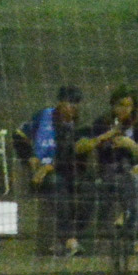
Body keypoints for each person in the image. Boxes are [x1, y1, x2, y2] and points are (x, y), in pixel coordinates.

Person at [74, 87, 138, 253]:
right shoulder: (102, 123)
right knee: (132, 186)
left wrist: (129, 144)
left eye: (128, 105)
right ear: (113, 105)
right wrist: (103, 137)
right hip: (110, 172)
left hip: (136, 169)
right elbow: (80, 147)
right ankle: (134, 236)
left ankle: (131, 228)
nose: (124, 109)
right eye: (120, 105)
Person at [21, 84, 93, 254]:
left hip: (66, 172)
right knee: (56, 184)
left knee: (90, 188)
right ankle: (69, 239)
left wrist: (48, 167)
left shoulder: (77, 127)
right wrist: (29, 156)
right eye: (69, 103)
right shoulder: (42, 116)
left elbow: (70, 156)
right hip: (45, 175)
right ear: (60, 103)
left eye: (76, 103)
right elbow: (19, 136)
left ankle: (73, 236)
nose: (73, 107)